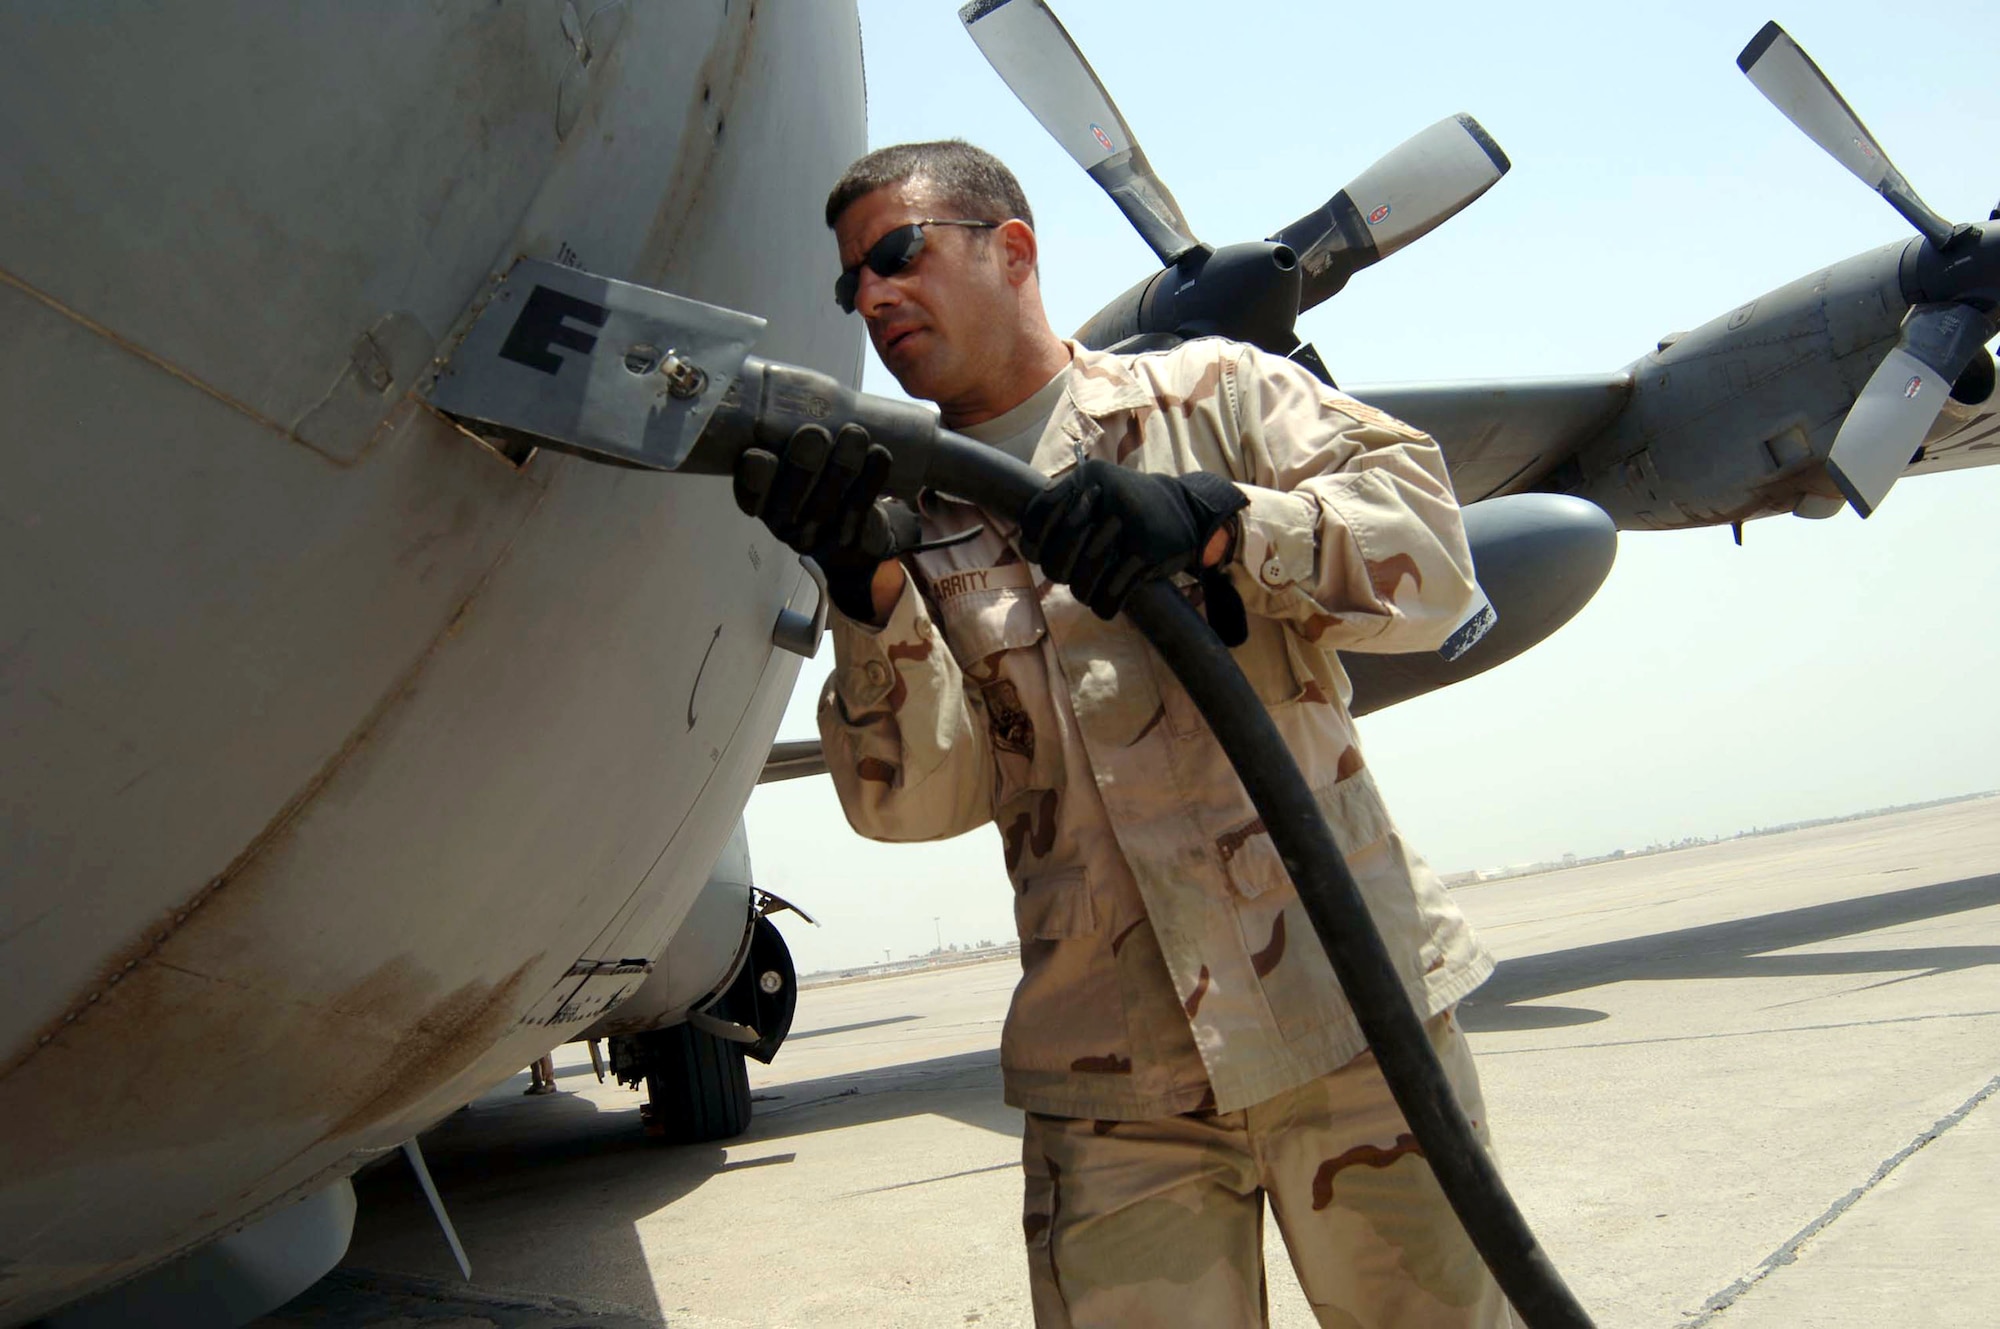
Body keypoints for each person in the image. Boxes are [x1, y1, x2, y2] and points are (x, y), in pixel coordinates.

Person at [733, 139, 1513, 1328]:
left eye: (897, 255)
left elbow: (1435, 563)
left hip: (1351, 1024)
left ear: (1013, 249)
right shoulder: (903, 516)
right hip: (1113, 1089)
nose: (872, 297)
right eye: (854, 284)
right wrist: (865, 589)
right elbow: (911, 803)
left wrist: (1215, 520)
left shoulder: (1219, 396)